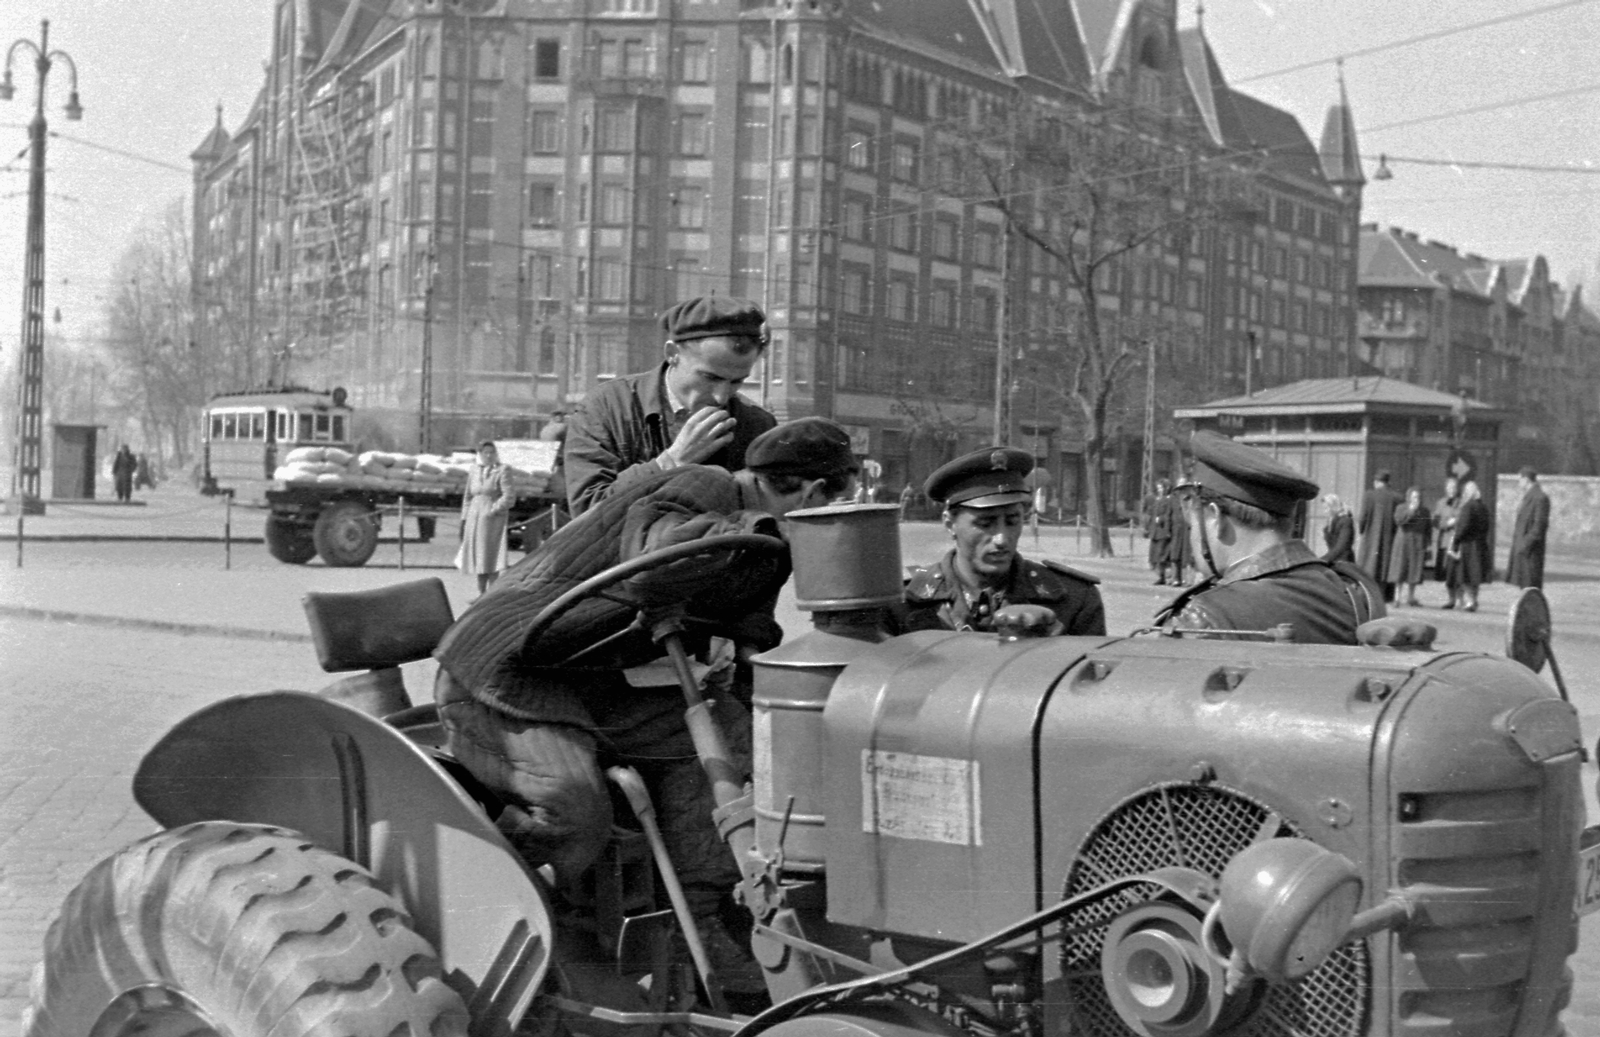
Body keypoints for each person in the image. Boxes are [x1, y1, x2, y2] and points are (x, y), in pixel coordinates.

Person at [433, 417, 857, 1001]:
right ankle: (499, 912)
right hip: (507, 668)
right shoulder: (707, 485)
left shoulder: (769, 542)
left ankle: (701, 924)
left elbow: (753, 627)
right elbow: (655, 556)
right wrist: (754, 527)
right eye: (834, 506)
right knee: (572, 808)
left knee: (744, 759)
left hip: (598, 677)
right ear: (812, 494)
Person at [1156, 430, 1384, 644]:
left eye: (1193, 523)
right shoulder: (1354, 592)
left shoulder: (1199, 619)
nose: (1192, 534)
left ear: (1216, 518)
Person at [563, 295, 777, 518]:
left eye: (737, 381)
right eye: (710, 377)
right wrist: (673, 460)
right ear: (672, 354)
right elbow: (587, 512)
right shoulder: (607, 408)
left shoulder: (757, 423)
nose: (721, 396)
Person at [898, 447, 1105, 636]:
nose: (1001, 539)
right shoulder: (905, 603)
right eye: (985, 523)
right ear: (950, 523)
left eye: (1012, 521)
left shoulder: (1074, 600)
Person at [456, 440, 516, 596]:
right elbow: (468, 497)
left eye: (491, 452)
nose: (488, 456)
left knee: (490, 555)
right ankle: (480, 592)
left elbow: (509, 496)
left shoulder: (503, 470)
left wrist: (493, 509)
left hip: (492, 519)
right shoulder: (474, 470)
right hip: (474, 517)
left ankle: (492, 593)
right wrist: (464, 518)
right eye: (485, 453)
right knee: (477, 555)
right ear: (480, 454)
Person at [1356, 470, 1403, 603]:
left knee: (1369, 565)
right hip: (1390, 539)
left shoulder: (1369, 495)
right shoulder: (1397, 497)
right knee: (1385, 565)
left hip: (1370, 537)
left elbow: (1363, 518)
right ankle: (1384, 595)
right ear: (1389, 482)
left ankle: (1366, 593)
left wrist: (1362, 531)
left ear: (1376, 482)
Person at [1448, 479, 1491, 611]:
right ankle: (1475, 599)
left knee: (1466, 575)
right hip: (1480, 544)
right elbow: (1487, 526)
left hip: (1468, 545)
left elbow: (1463, 527)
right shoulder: (1484, 507)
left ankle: (1470, 601)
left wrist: (1456, 541)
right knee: (1475, 575)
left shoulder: (1468, 507)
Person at [1388, 486, 1432, 607]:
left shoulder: (1425, 511)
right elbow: (1399, 521)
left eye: (1418, 497)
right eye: (1413, 497)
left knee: (1415, 569)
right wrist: (1411, 511)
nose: (1416, 499)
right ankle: (1397, 597)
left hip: (1418, 542)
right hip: (1403, 542)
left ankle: (1411, 597)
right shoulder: (1401, 508)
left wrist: (1428, 544)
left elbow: (1428, 527)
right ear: (1408, 498)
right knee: (1400, 569)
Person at [1507, 466, 1550, 589]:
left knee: (1531, 588)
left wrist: (1524, 545)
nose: (1518, 483)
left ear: (1526, 480)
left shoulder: (1540, 498)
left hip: (1531, 552)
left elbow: (1539, 527)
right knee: (1524, 588)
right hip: (1523, 552)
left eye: (1519, 479)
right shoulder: (1528, 496)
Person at [1144, 479, 1176, 585]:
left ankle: (1164, 576)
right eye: (1158, 488)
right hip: (1155, 532)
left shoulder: (1169, 500)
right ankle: (1160, 576)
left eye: (1161, 488)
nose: (1159, 490)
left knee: (1161, 554)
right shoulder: (1157, 500)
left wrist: (1161, 519)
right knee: (1154, 555)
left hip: (1163, 531)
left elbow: (1169, 514)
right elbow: (1151, 513)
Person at [1320, 494, 1355, 564]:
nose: (1325, 512)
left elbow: (1341, 546)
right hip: (1333, 560)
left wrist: (1323, 559)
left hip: (1344, 562)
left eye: (1326, 508)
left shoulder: (1346, 521)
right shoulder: (1329, 524)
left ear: (1333, 507)